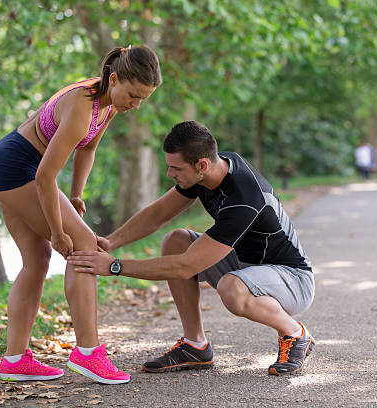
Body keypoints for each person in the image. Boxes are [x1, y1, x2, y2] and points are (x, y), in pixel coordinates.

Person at [68, 121, 315, 376]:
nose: (169, 174)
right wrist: (110, 242)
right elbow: (159, 213)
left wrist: (114, 266)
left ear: (202, 165)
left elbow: (185, 266)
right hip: (245, 263)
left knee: (231, 288)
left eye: (175, 168)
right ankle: (195, 345)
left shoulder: (244, 200)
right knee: (176, 241)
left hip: (292, 279)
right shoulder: (211, 168)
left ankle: (295, 333)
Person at [0, 45, 161, 384]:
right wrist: (58, 231)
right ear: (115, 79)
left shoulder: (106, 106)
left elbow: (88, 148)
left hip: (12, 164)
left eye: (143, 100)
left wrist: (77, 193)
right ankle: (89, 353)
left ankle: (15, 359)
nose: (135, 105)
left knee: (36, 261)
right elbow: (45, 178)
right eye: (134, 95)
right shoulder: (82, 106)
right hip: (18, 167)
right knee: (85, 245)